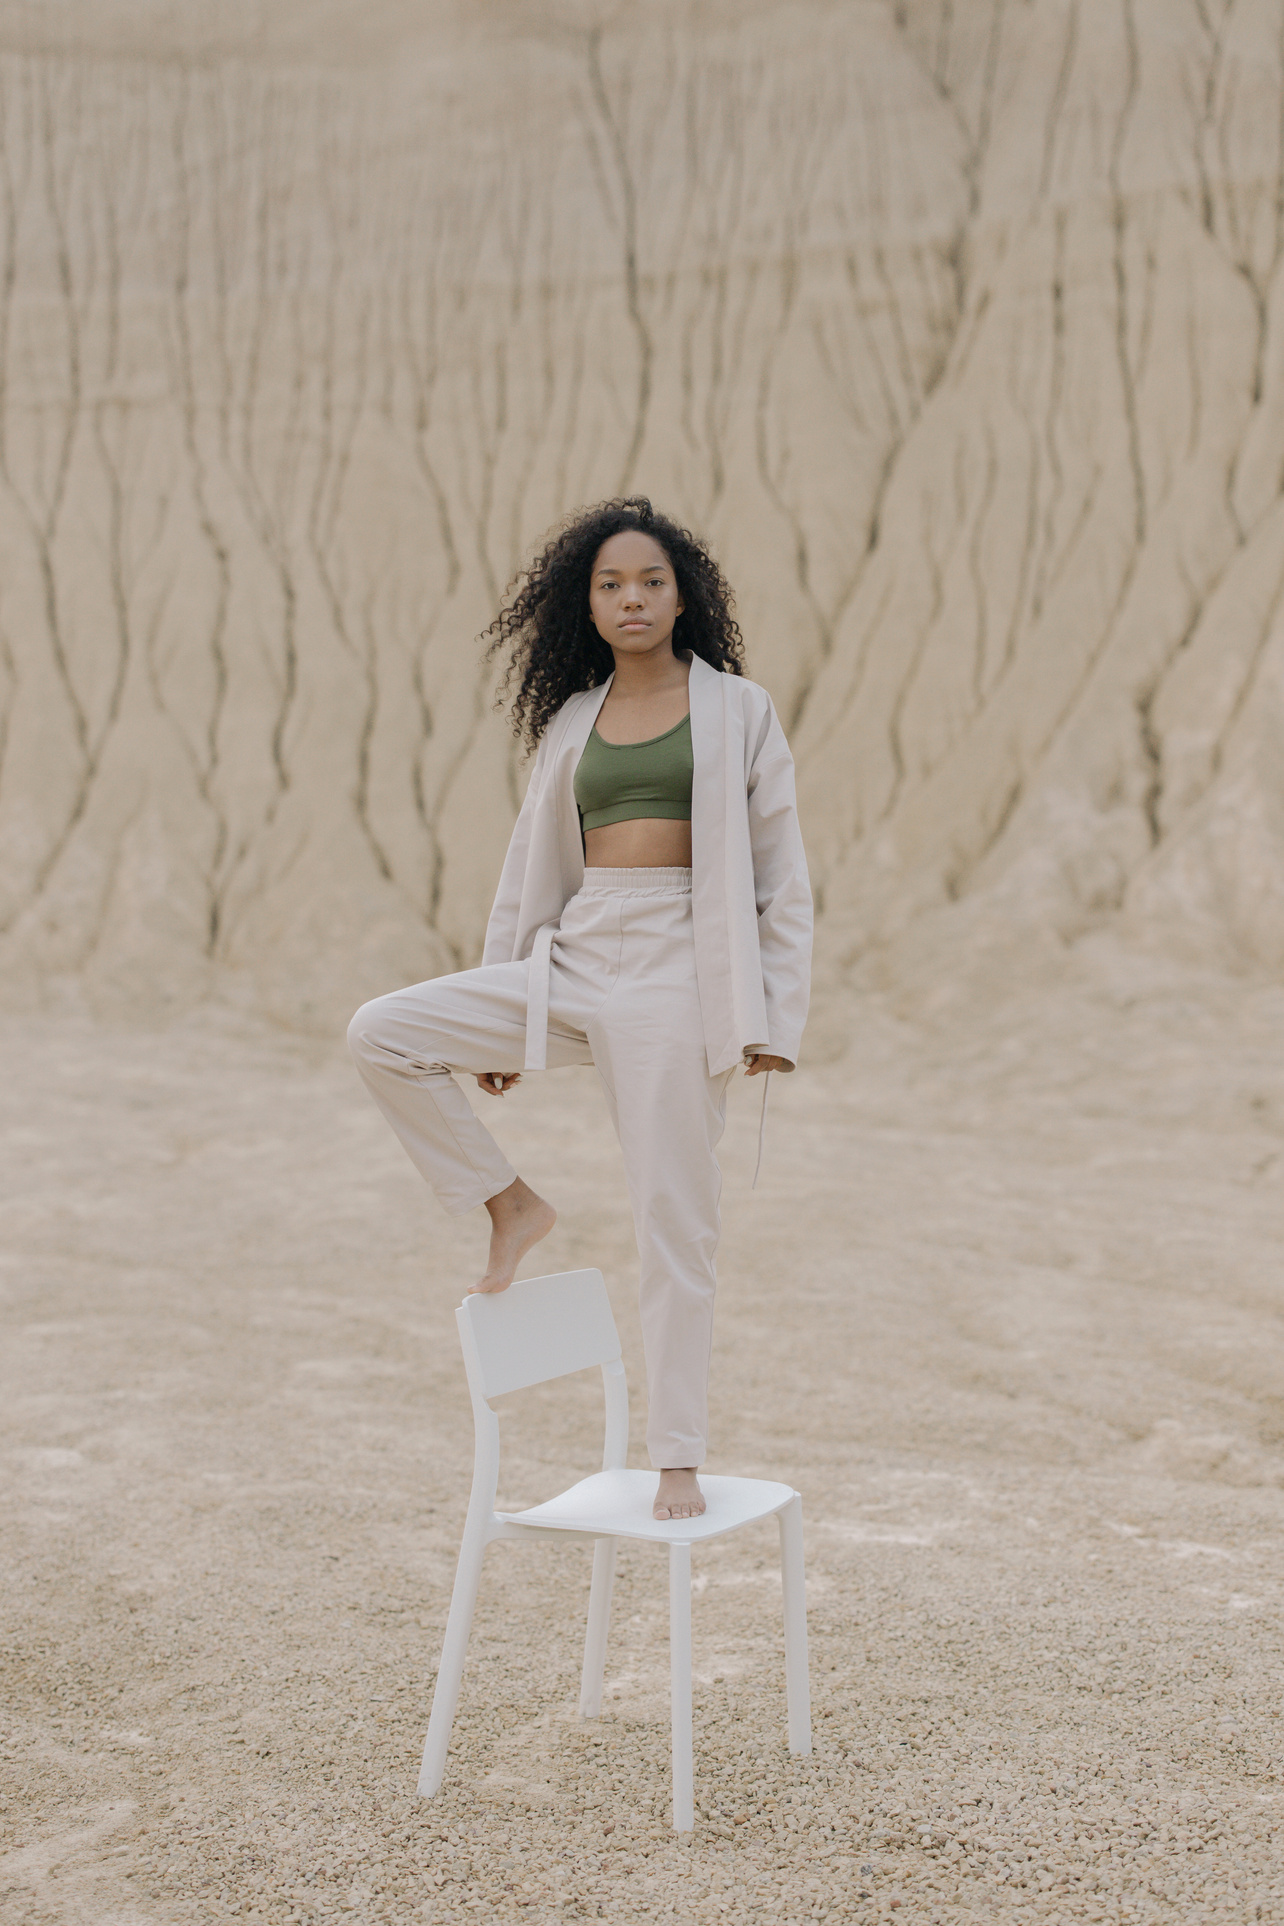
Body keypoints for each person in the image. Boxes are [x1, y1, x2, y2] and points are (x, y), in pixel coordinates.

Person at [348, 497, 811, 1520]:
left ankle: (678, 1453)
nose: (631, 598)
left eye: (649, 580)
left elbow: (782, 872)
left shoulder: (740, 709)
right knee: (383, 1031)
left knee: (672, 1217)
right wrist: (507, 1002)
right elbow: (533, 868)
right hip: (575, 953)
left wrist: (771, 1018)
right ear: (585, 605)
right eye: (610, 585)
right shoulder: (572, 719)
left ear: (681, 592)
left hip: (681, 971)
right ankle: (510, 1203)